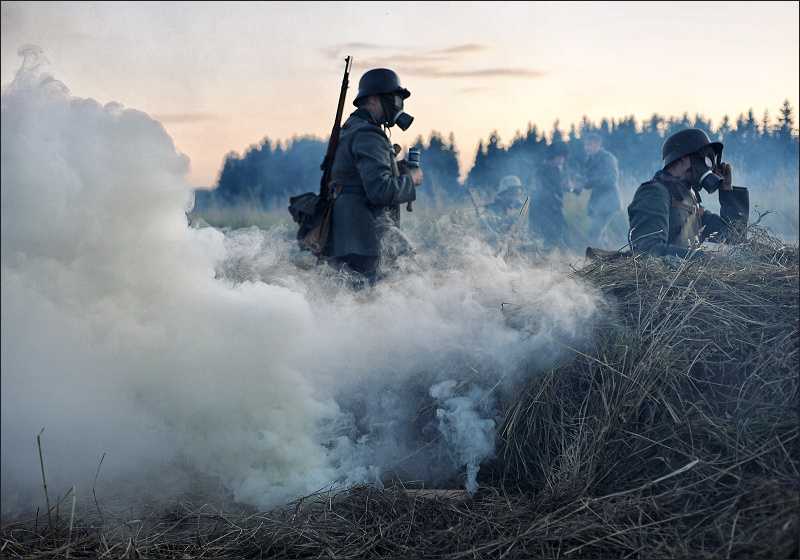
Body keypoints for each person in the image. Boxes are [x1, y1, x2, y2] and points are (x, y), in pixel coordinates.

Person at [320, 68, 423, 285]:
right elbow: (380, 191)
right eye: (395, 99)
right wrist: (411, 180)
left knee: (358, 299)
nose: (398, 106)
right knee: (410, 273)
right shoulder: (368, 133)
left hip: (347, 238)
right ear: (374, 99)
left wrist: (395, 169)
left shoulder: (351, 129)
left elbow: (355, 177)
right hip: (366, 239)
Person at [627, 128, 749, 260]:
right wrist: (704, 259)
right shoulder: (654, 192)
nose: (708, 167)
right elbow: (647, 251)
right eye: (703, 159)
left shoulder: (690, 198)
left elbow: (734, 236)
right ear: (683, 157)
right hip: (660, 274)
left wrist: (726, 188)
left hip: (685, 274)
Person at [529, 141, 576, 250]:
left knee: (550, 234)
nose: (561, 158)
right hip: (544, 206)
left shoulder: (553, 168)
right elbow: (545, 187)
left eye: (562, 156)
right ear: (553, 155)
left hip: (547, 205)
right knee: (554, 233)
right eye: (558, 156)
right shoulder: (547, 168)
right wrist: (561, 187)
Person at [580, 133, 623, 245]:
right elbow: (589, 181)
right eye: (585, 145)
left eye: (590, 144)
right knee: (601, 235)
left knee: (594, 231)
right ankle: (606, 253)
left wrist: (591, 181)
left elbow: (612, 178)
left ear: (598, 144)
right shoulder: (589, 160)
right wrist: (584, 182)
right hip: (597, 201)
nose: (587, 147)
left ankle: (595, 253)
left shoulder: (608, 158)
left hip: (608, 200)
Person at [481, 175, 527, 242]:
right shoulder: (493, 210)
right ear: (503, 193)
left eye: (518, 192)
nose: (516, 195)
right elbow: (491, 237)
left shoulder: (510, 210)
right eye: (512, 192)